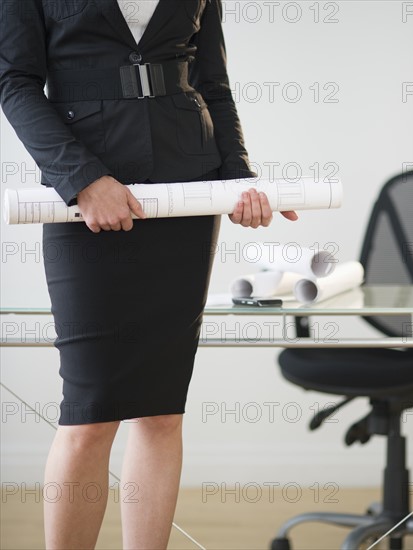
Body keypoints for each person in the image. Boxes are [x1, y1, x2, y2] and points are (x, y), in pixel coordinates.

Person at [0, 1, 297, 548]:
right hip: (85, 198)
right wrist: (84, 178)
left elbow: (213, 82)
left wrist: (237, 178)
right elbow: (15, 82)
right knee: (89, 415)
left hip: (187, 193)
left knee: (161, 412)